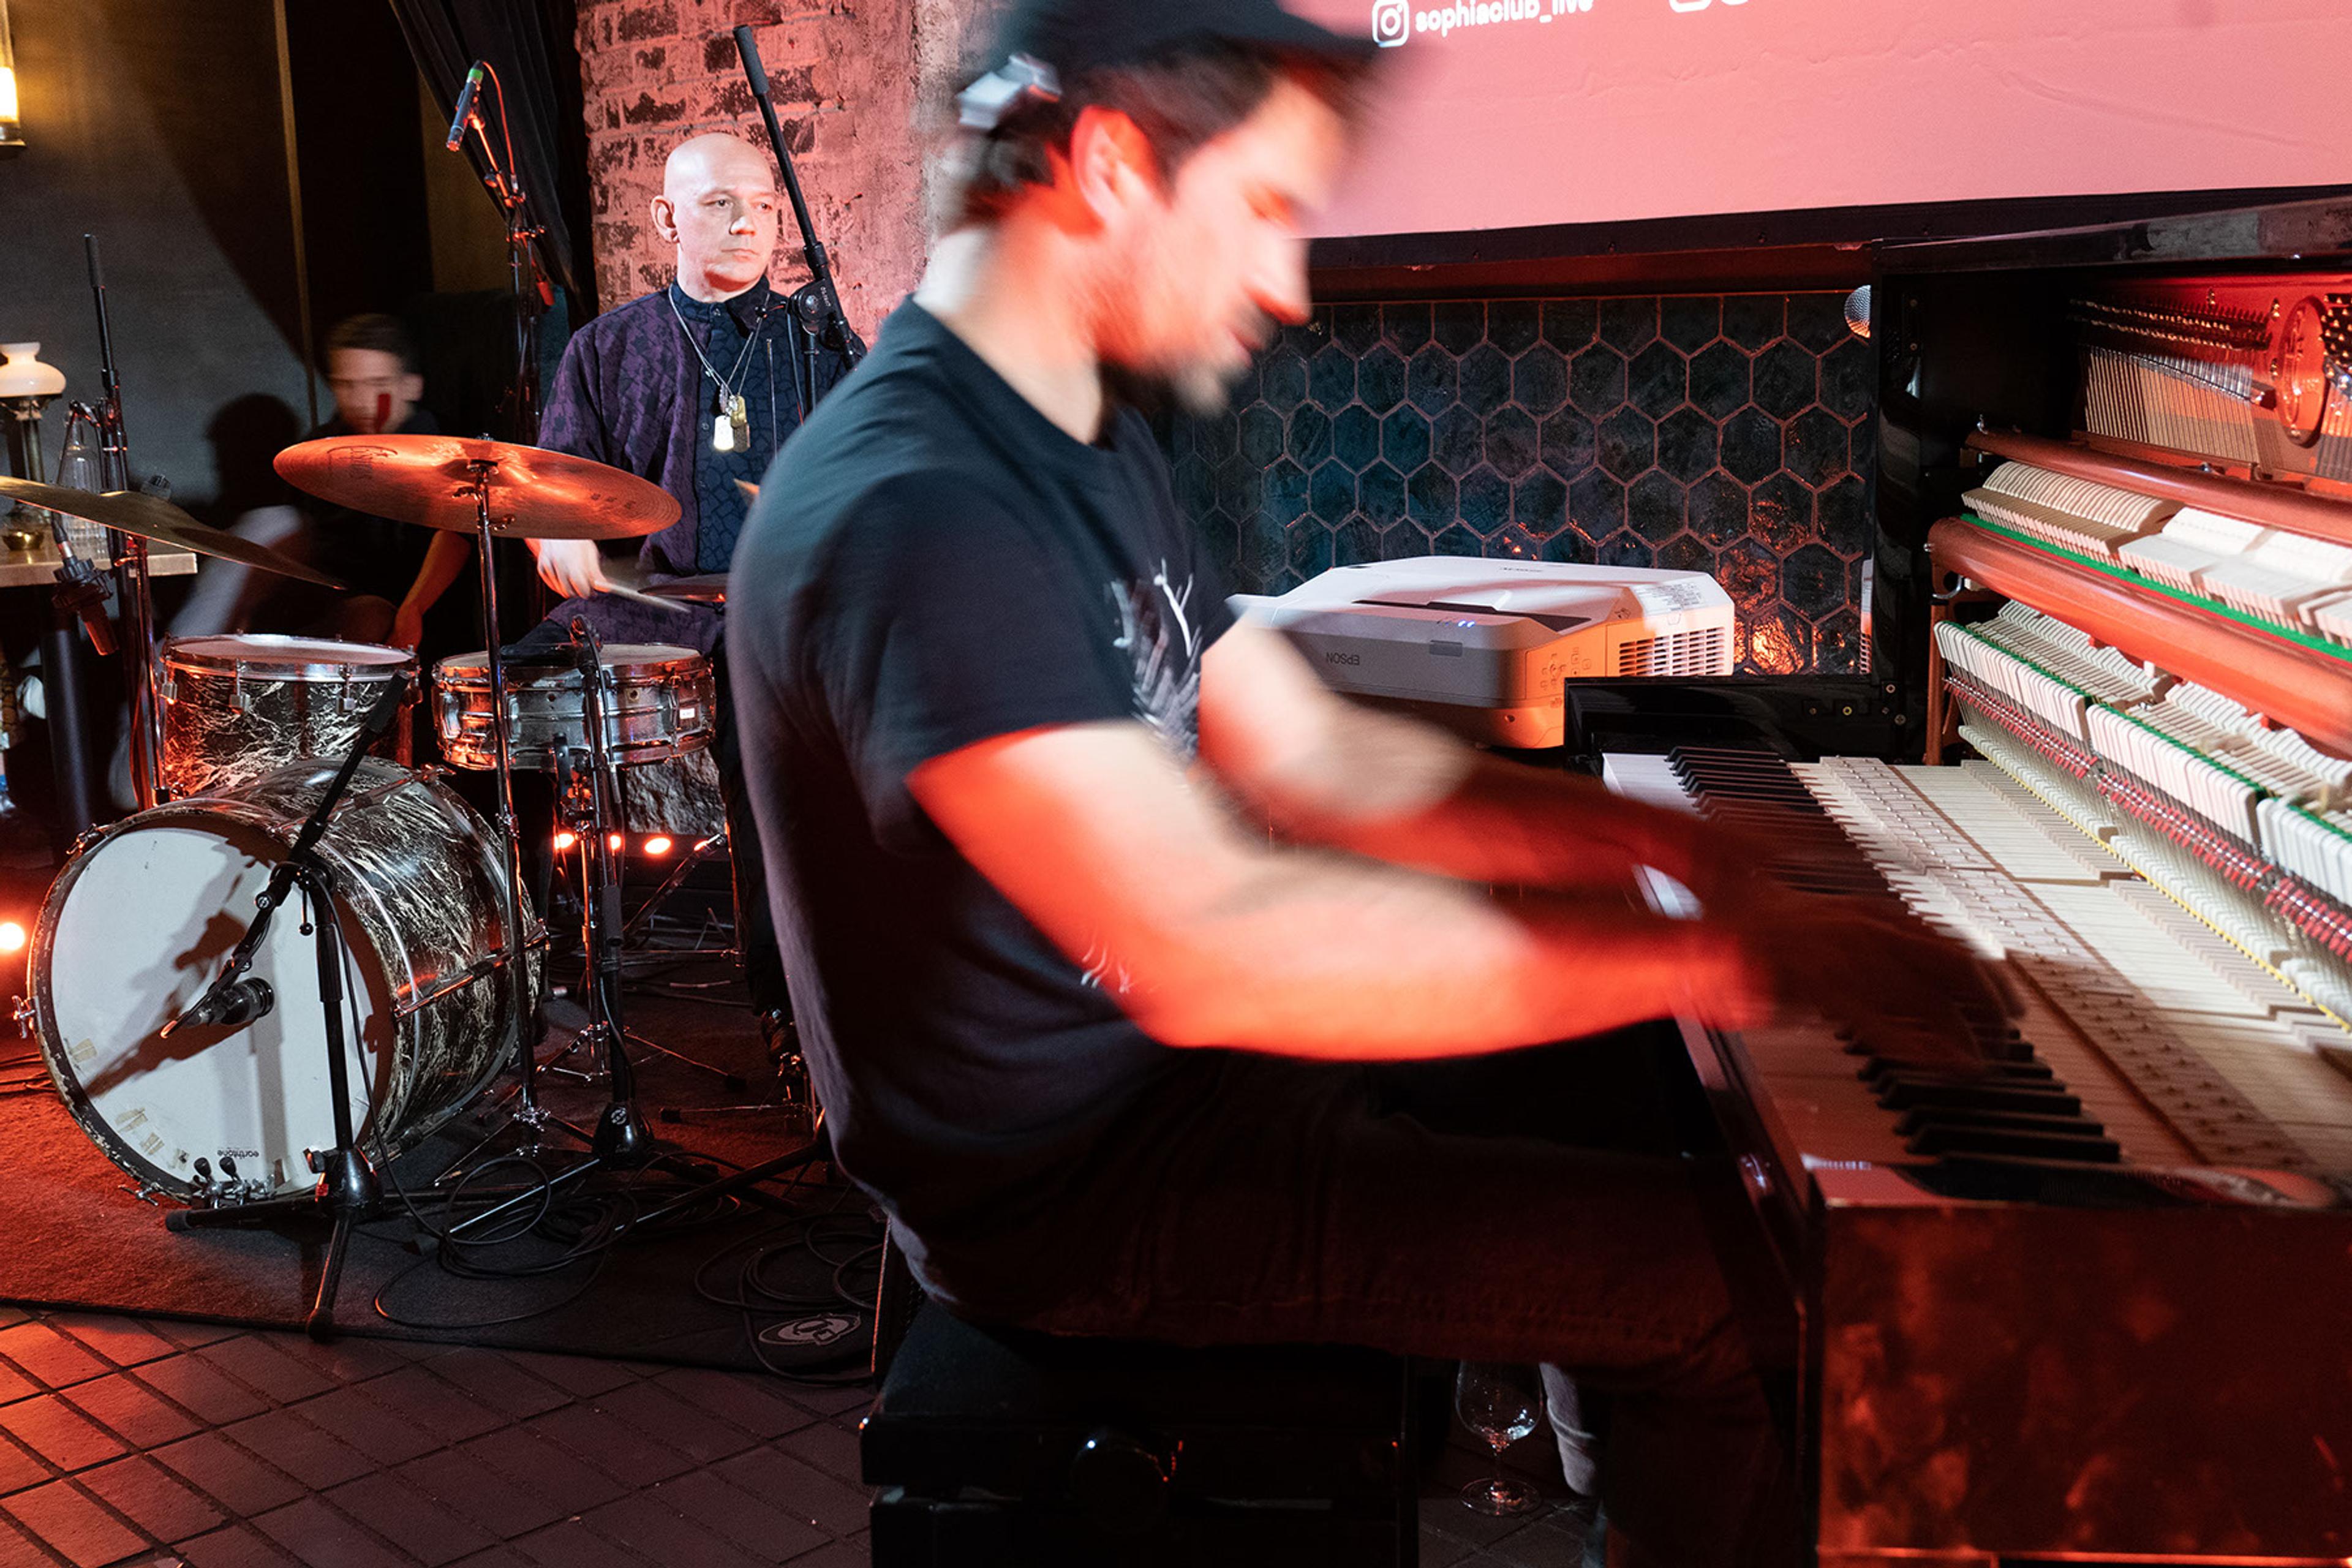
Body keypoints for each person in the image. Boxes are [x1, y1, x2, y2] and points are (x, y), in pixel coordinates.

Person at [727, 4, 2013, 1562]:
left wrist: (1650, 842)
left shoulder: (1069, 425)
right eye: (1263, 211)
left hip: (1172, 1100)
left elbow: (1300, 738)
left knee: (1677, 1100)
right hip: (1085, 1194)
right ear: (1114, 165)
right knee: (1751, 1303)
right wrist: (1725, 945)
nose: (1280, 284)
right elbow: (1212, 946)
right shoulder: (920, 510)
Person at [521, 132, 853, 1071]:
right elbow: (545, 490)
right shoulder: (605, 348)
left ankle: (791, 1018)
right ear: (666, 218)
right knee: (489, 702)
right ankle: (508, 968)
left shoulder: (818, 346)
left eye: (761, 204)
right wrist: (556, 532)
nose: (747, 220)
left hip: (771, 614)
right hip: (644, 607)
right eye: (718, 204)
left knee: (774, 767)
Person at [170, 314, 470, 651]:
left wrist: (410, 612)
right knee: (266, 531)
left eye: (377, 384)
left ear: (412, 385)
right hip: (328, 610)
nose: (360, 399)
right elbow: (302, 546)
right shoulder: (318, 450)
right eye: (347, 385)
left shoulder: (446, 449)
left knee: (372, 614)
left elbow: (454, 540)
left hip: (420, 615)